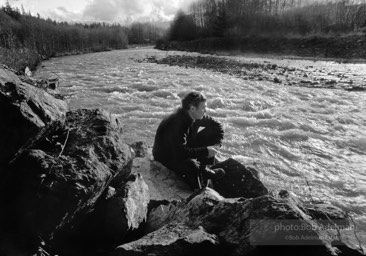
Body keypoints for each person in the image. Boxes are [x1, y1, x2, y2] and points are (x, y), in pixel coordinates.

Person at [152, 91, 225, 189]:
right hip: (167, 156)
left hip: (178, 150)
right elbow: (181, 153)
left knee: (206, 138)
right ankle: (199, 188)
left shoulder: (191, 114)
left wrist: (217, 144)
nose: (205, 110)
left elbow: (217, 126)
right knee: (191, 164)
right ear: (192, 108)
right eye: (203, 108)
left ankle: (204, 171)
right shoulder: (177, 123)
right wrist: (205, 151)